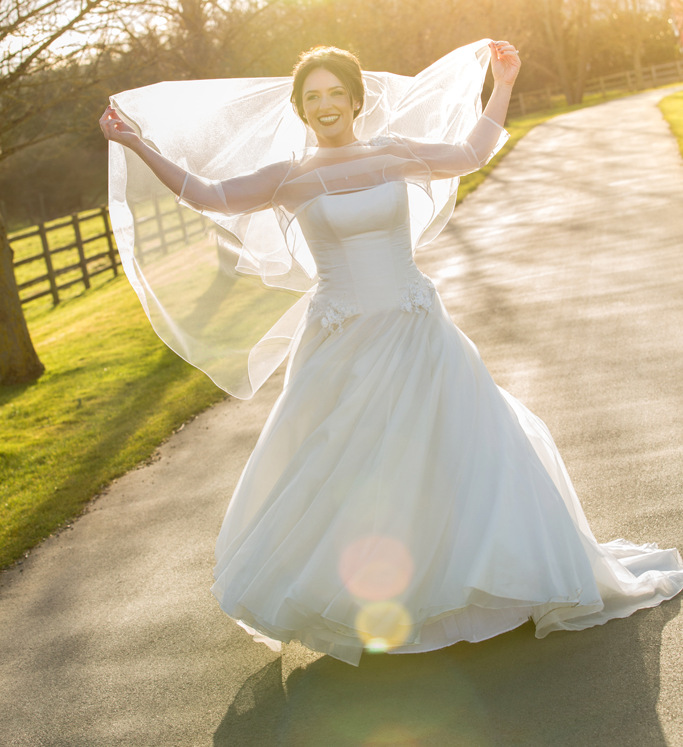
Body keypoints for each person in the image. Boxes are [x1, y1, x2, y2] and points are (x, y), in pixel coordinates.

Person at [100, 39, 683, 667]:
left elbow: (471, 151)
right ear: (300, 107)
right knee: (351, 468)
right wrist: (138, 144)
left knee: (456, 451)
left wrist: (504, 83)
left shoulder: (394, 154)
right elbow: (206, 194)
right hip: (341, 343)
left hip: (415, 326)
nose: (325, 105)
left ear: (356, 99)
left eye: (334, 94)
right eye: (312, 96)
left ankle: (487, 586)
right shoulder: (288, 177)